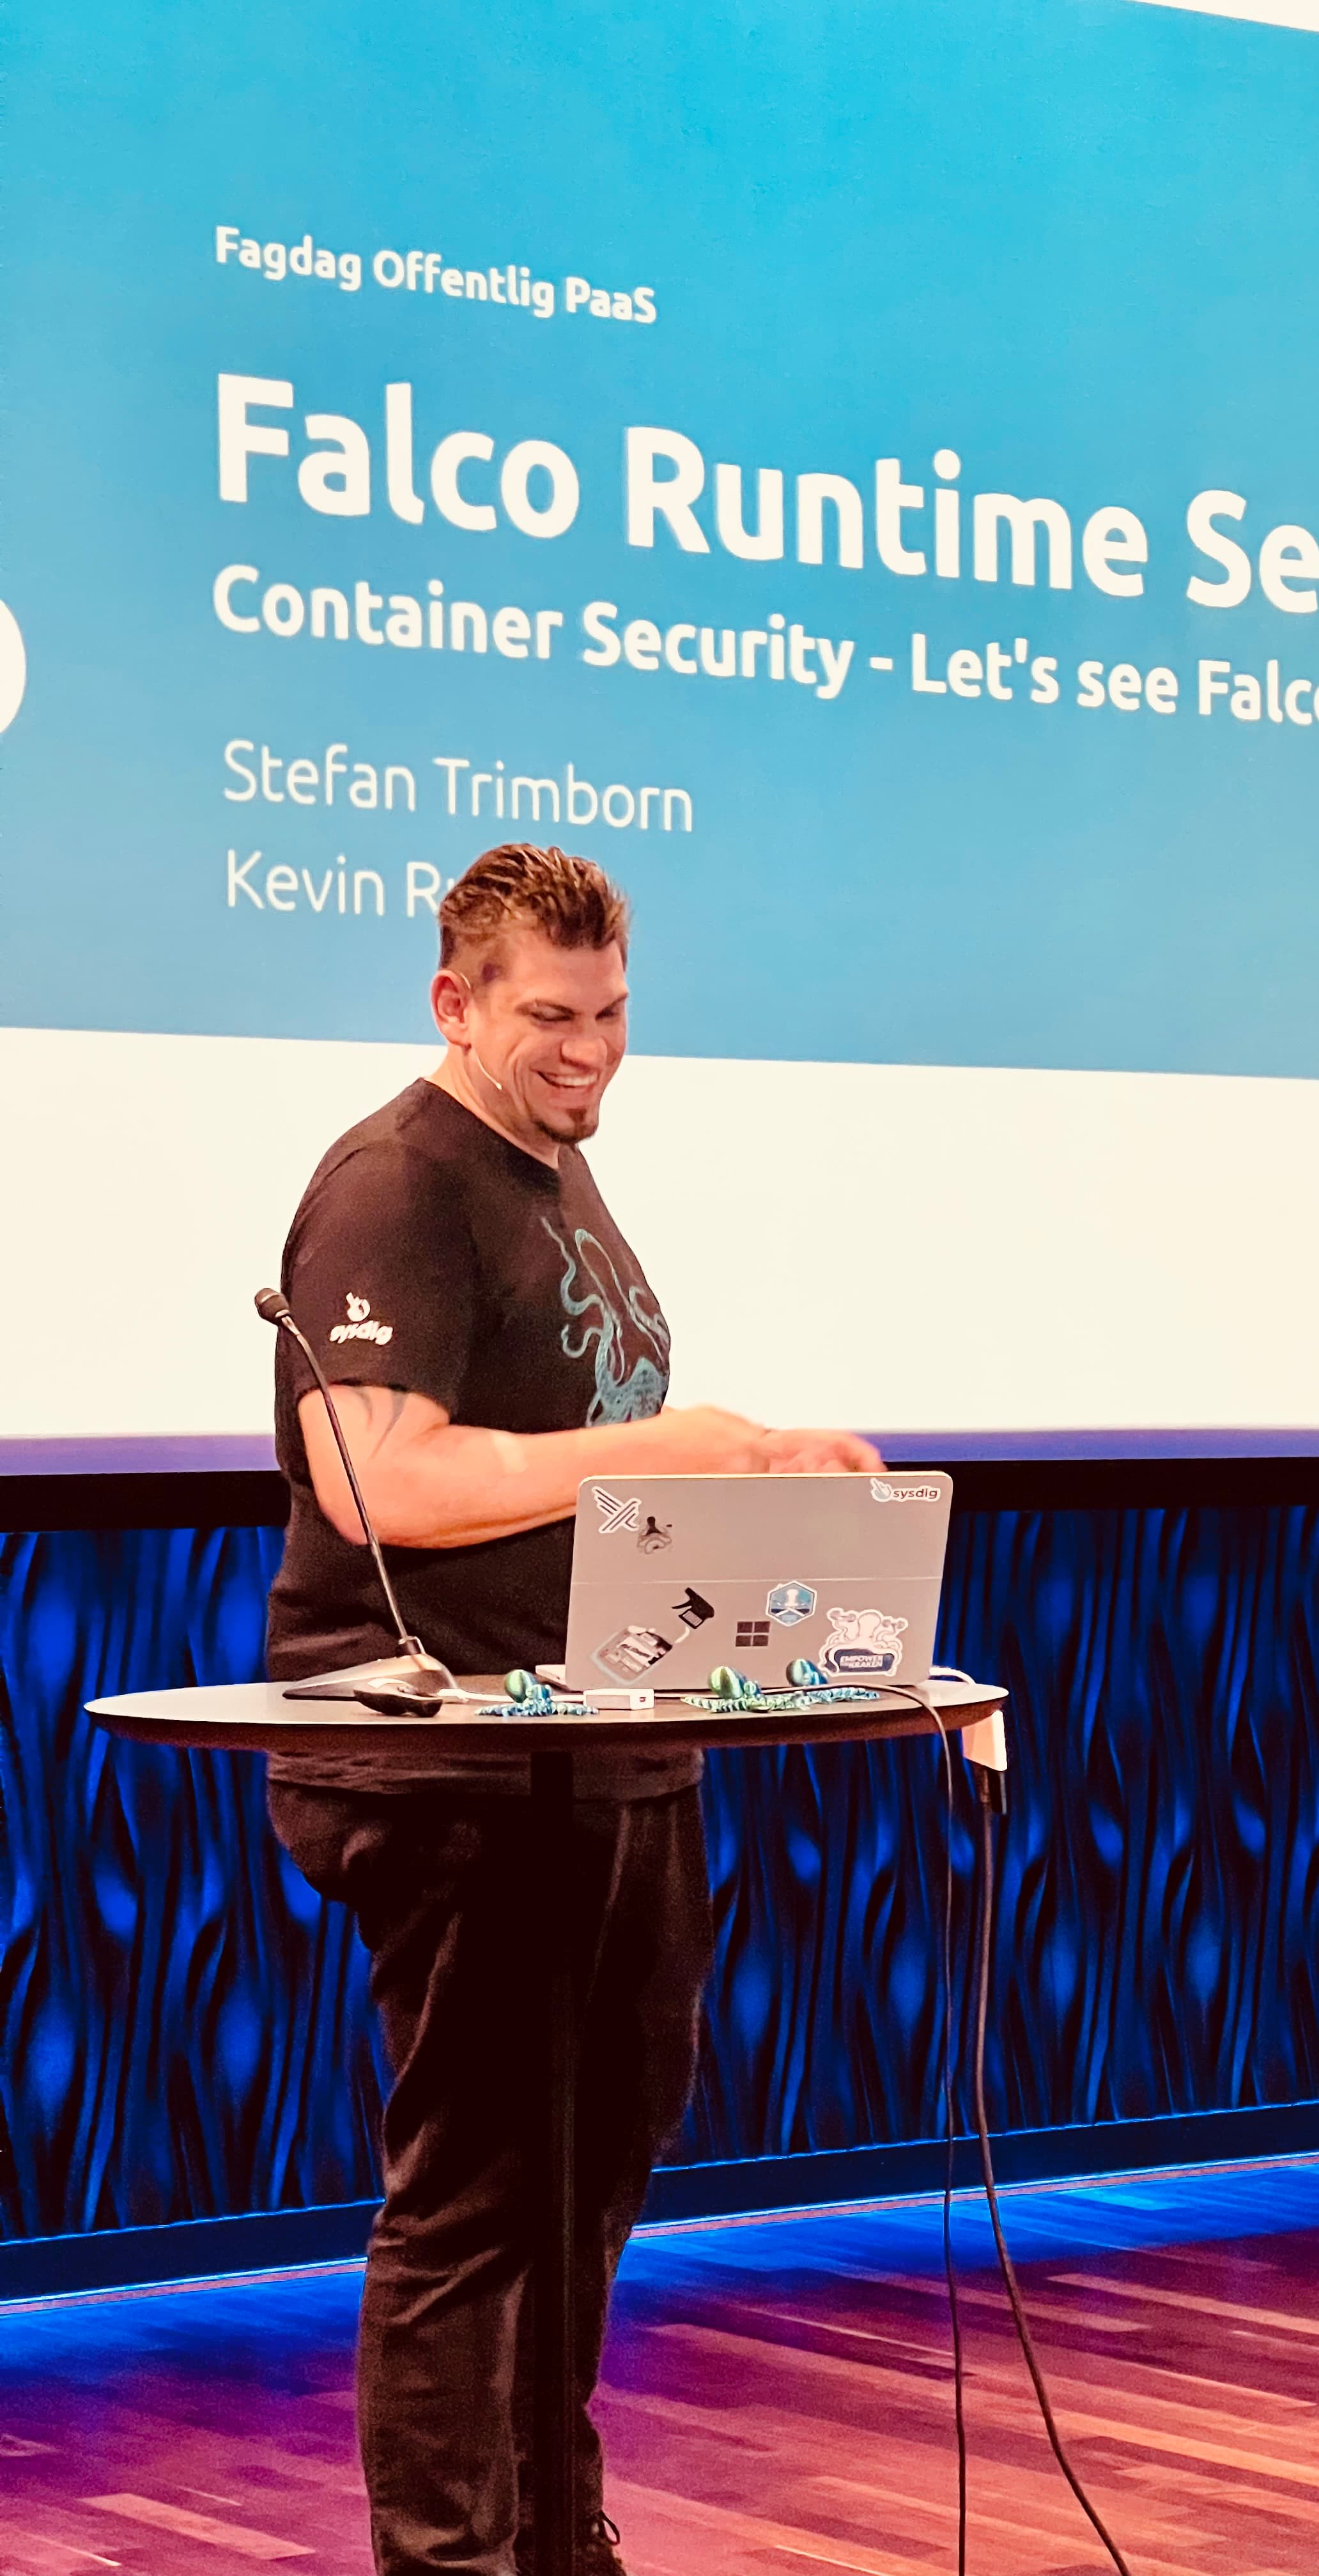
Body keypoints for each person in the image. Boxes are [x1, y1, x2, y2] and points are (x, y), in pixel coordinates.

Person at [263, 841, 882, 2576]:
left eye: (611, 1013)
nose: (590, 1048)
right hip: (454, 1762)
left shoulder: (556, 1173)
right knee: (481, 2196)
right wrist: (666, 1448)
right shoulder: (397, 1182)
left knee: (591, 2174)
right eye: (551, 1015)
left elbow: (566, 1463)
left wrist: (757, 1467)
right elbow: (376, 1480)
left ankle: (551, 2535)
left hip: (602, 1743)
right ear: (454, 1003)